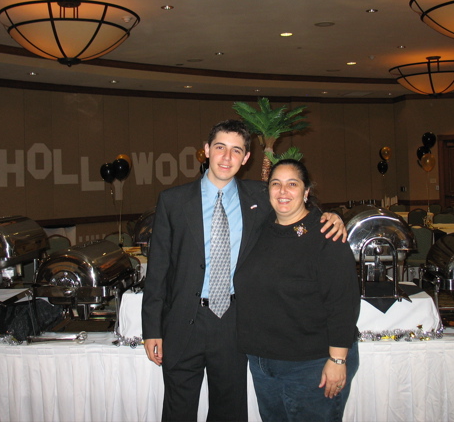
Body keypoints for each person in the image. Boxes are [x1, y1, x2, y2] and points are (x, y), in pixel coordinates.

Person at [141, 120, 347, 421]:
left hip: (234, 323)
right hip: (184, 322)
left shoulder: (260, 197)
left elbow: (294, 204)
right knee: (177, 409)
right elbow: (158, 269)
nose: (227, 158)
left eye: (236, 151)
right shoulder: (173, 201)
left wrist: (330, 217)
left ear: (246, 158)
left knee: (230, 409)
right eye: (220, 148)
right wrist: (152, 329)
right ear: (207, 150)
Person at [235, 159, 360, 422]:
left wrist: (338, 361)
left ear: (306, 192)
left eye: (292, 184)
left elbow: (343, 304)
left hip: (310, 365)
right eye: (276, 184)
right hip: (262, 361)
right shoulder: (259, 227)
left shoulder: (326, 236)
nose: (283, 191)